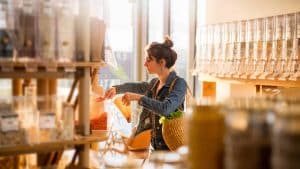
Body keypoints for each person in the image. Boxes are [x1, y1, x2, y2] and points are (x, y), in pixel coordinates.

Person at [97, 36, 187, 150]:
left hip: (172, 151)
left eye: (149, 60)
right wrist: (116, 89)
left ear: (162, 62)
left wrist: (139, 98)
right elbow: (137, 86)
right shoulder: (155, 83)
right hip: (154, 149)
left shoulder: (179, 84)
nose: (145, 64)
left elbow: (166, 109)